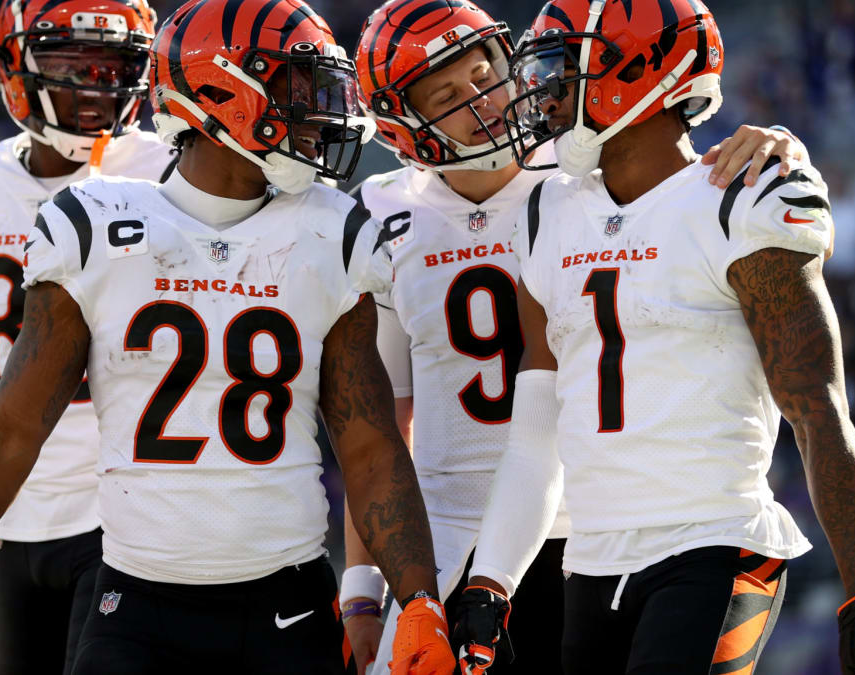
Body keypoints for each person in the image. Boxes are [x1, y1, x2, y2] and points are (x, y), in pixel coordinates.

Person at [0, 1, 455, 674]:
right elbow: (9, 427)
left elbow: (369, 447)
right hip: (136, 604)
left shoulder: (333, 229)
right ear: (225, 93)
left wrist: (418, 596)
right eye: (293, 87)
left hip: (289, 603)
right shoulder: (94, 224)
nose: (317, 111)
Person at [453, 1, 855, 674]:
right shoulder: (546, 214)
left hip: (715, 541)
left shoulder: (739, 199)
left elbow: (816, 406)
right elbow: (535, 434)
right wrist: (492, 578)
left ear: (634, 69)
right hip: (590, 560)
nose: (546, 94)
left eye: (562, 70)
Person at [342, 1, 814, 673]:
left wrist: (779, 144)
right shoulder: (379, 212)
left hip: (579, 530)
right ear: (401, 122)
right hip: (446, 532)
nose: (482, 101)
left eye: (485, 76)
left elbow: (683, 172)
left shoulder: (578, 171)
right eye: (446, 95)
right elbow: (381, 423)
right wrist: (364, 586)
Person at [0, 1, 172, 673]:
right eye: (69, 63)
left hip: (133, 518)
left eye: (111, 63)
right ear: (16, 66)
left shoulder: (174, 170)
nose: (93, 84)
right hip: (16, 528)